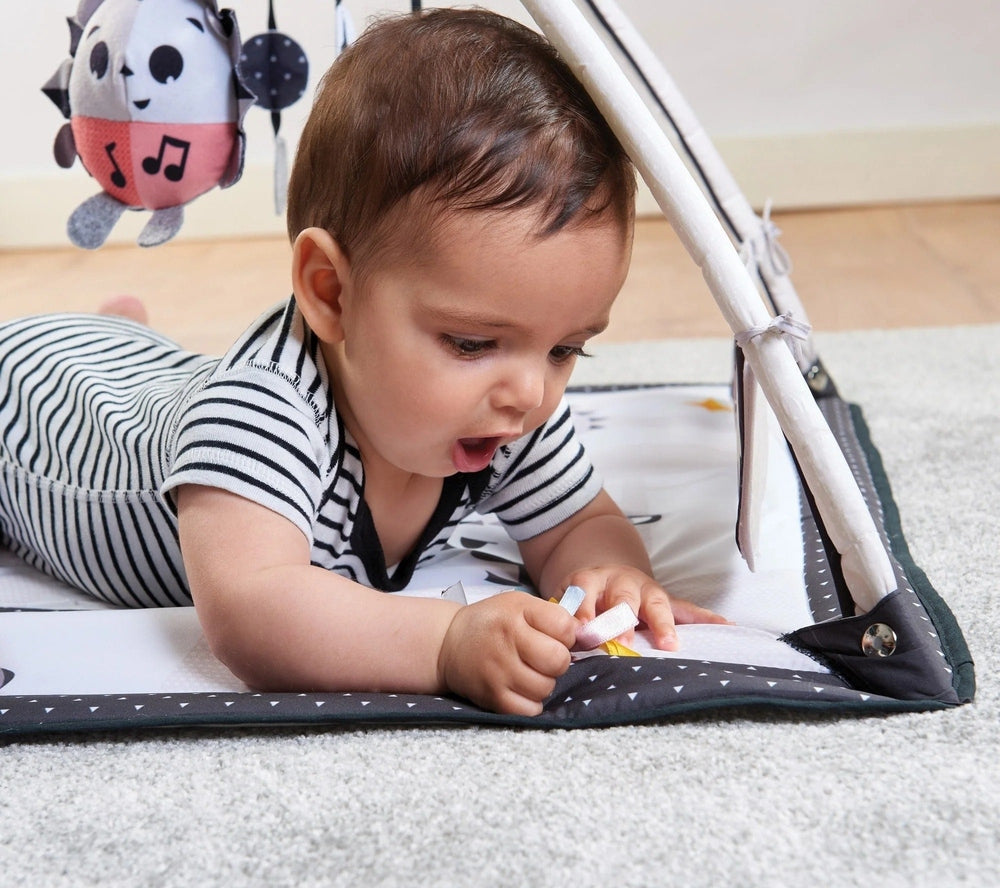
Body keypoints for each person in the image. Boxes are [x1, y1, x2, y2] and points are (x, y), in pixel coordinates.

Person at [0, 8, 724, 716]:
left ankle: (123, 332)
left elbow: (576, 524)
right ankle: (102, 333)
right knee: (113, 376)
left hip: (152, 382)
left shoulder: (506, 404)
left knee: (155, 365)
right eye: (472, 343)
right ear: (331, 293)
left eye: (566, 348)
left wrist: (608, 576)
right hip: (30, 410)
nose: (531, 392)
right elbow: (253, 610)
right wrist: (444, 642)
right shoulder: (261, 409)